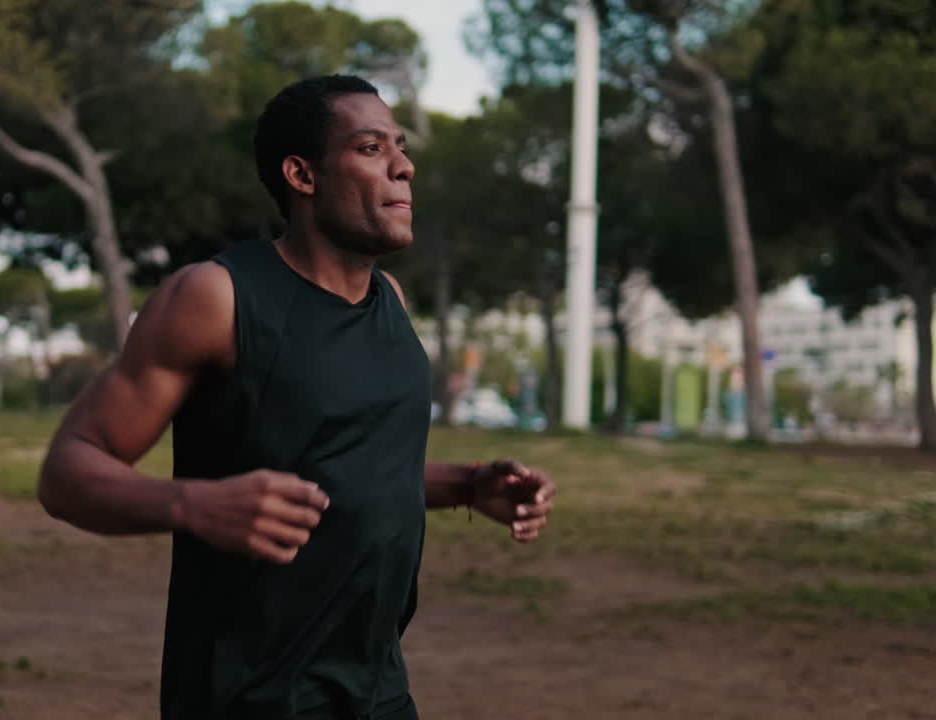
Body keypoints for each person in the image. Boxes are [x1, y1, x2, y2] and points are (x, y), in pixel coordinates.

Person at [38, 75, 556, 720]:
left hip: (376, 688)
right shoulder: (217, 297)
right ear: (302, 175)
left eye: (400, 146)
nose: (404, 165)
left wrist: (469, 484)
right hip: (250, 698)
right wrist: (196, 503)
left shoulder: (388, 304)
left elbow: (339, 464)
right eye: (371, 148)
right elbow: (66, 472)